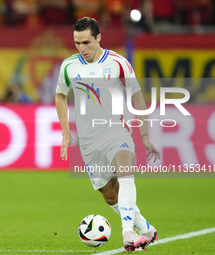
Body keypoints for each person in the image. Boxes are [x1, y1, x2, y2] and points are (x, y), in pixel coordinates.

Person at [55, 17, 161, 252]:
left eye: (87, 42)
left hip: (115, 130)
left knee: (125, 170)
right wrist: (65, 133)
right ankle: (146, 230)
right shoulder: (68, 66)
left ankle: (128, 234)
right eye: (77, 43)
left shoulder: (117, 63)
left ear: (99, 38)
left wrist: (144, 136)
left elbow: (137, 96)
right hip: (88, 142)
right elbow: (60, 95)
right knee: (111, 196)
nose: (82, 49)